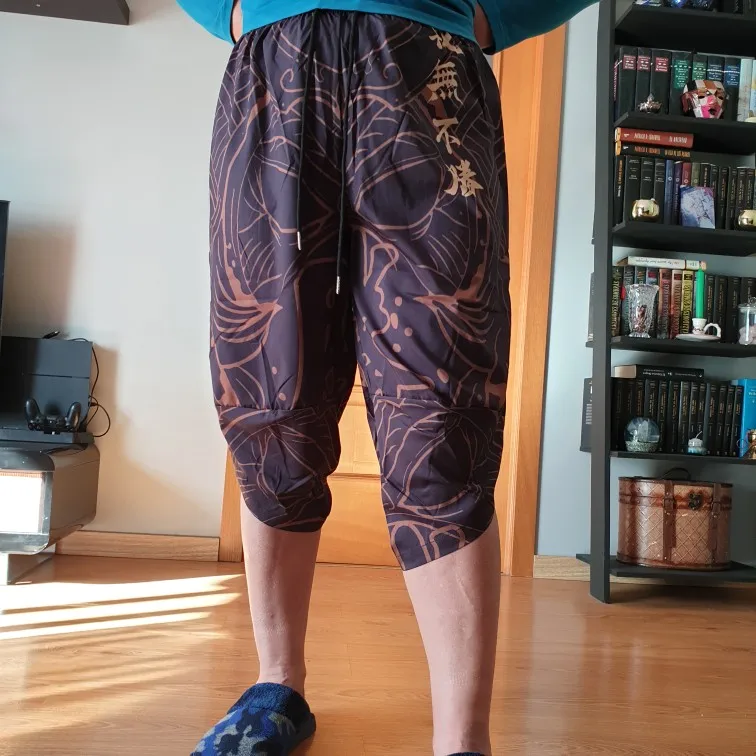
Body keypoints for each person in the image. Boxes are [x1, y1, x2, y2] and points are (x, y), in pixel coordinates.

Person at [177, 1, 595, 754]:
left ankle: (462, 740)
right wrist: (228, 9)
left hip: (427, 65)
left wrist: (491, 15)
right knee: (271, 399)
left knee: (443, 417)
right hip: (275, 66)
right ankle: (277, 687)